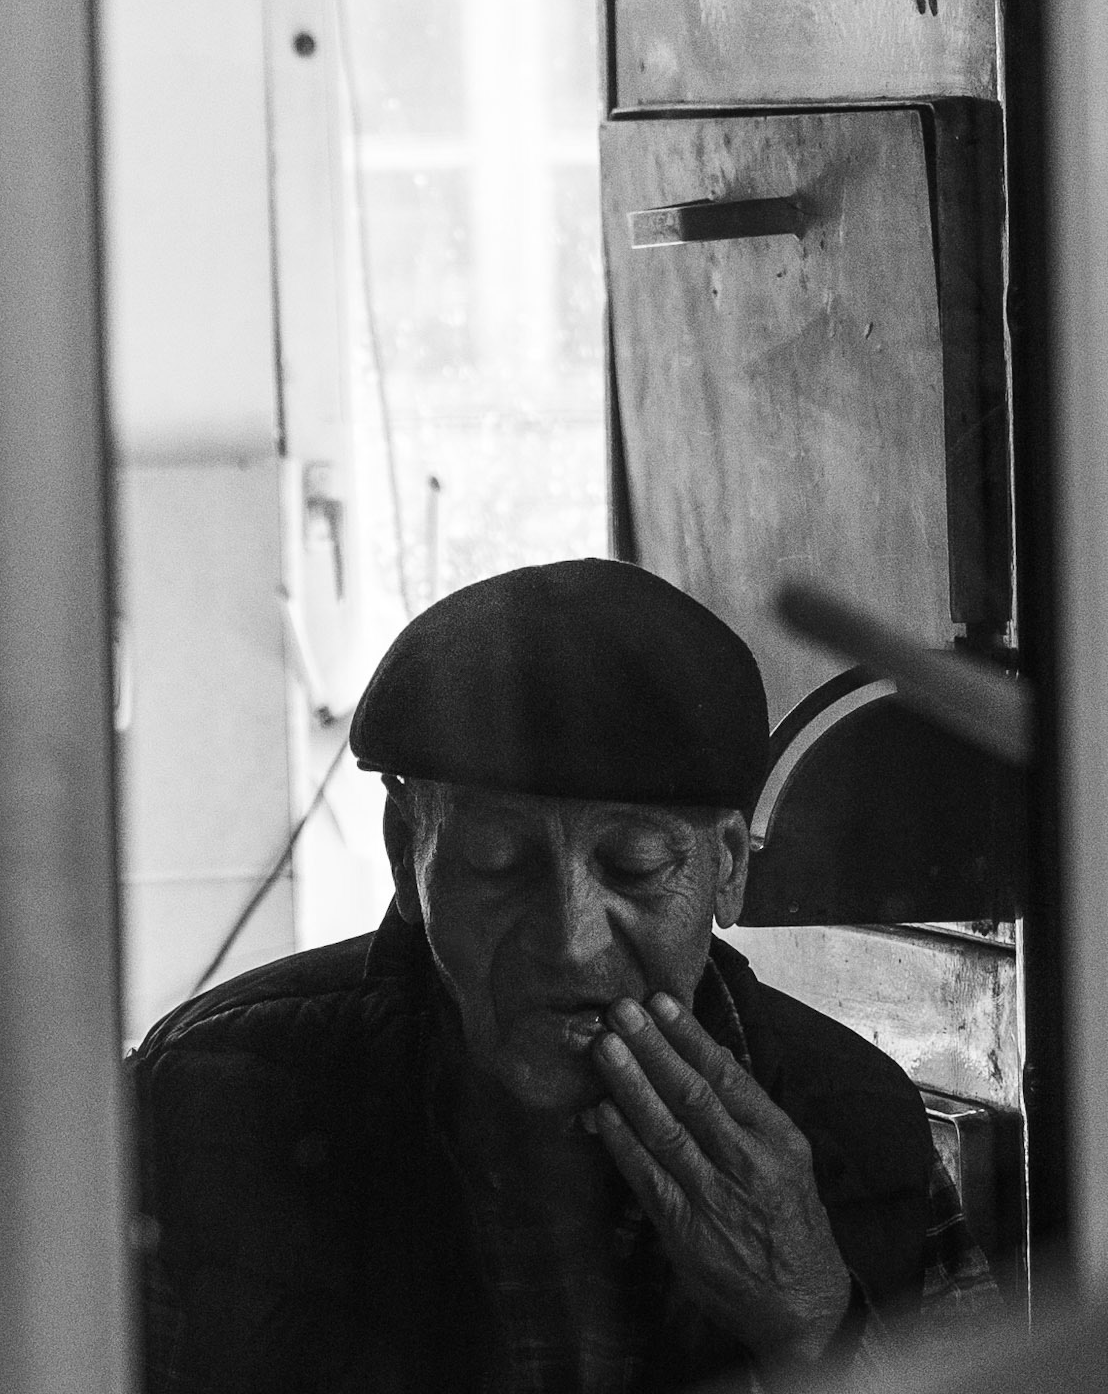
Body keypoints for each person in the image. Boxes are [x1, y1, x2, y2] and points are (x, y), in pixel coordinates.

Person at [129, 559, 996, 1392]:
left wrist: (813, 1327)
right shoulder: (209, 1100)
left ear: (727, 868)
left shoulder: (857, 1124)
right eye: (497, 863)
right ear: (405, 854)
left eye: (635, 866)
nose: (572, 944)